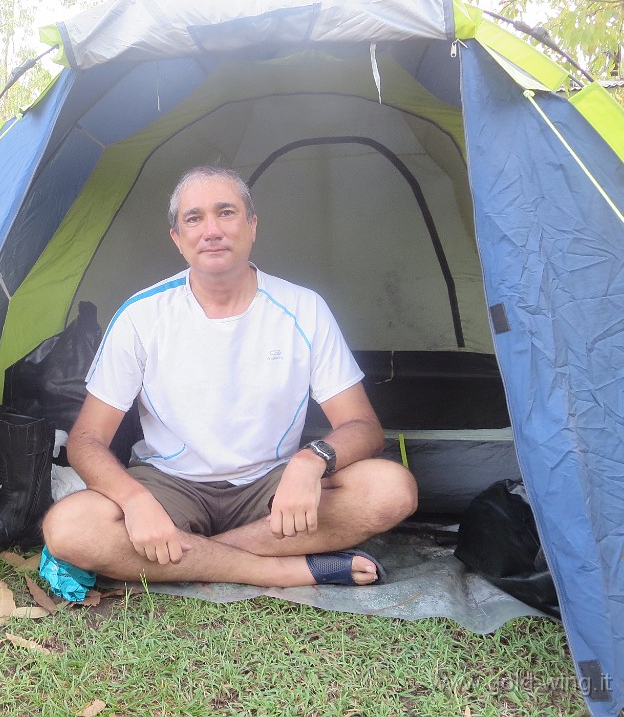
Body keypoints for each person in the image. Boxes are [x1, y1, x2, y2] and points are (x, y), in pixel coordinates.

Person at [42, 166, 417, 588]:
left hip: (270, 488)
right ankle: (272, 569)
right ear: (177, 238)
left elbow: (364, 427)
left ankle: (194, 555)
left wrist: (311, 460)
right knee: (69, 527)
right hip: (168, 486)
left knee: (391, 488)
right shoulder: (141, 316)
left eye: (226, 213)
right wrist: (133, 500)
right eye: (194, 218)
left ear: (252, 226)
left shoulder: (304, 309)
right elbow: (85, 440)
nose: (211, 230)